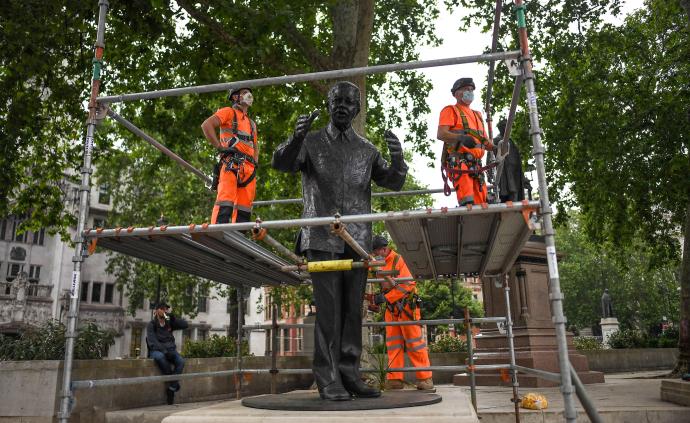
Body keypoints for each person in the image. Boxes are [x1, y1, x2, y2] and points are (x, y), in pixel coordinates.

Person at [272, 81, 408, 401]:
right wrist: (295, 138)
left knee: (352, 313)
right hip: (321, 237)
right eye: (337, 101)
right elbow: (281, 163)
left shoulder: (367, 149)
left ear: (358, 108)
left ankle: (350, 373)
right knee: (329, 311)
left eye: (349, 101)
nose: (343, 106)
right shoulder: (312, 142)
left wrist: (398, 157)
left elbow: (394, 182)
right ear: (329, 104)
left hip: (358, 239)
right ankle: (328, 377)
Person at [366, 235, 434, 391]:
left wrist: (384, 297)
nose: (376, 254)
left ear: (384, 249)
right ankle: (395, 379)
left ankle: (426, 379)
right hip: (392, 309)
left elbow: (407, 285)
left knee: (414, 344)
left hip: (406, 308)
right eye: (374, 252)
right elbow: (371, 274)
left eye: (377, 251)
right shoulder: (377, 263)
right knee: (393, 345)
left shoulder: (399, 260)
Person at [201, 87, 258, 224]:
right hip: (231, 163)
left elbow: (255, 146)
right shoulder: (228, 112)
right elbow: (206, 125)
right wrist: (220, 147)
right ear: (235, 97)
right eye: (244, 93)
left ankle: (238, 238)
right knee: (225, 201)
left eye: (248, 92)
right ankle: (218, 233)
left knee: (244, 207)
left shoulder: (251, 124)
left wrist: (255, 164)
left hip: (249, 168)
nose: (248, 95)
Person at [437, 77, 498, 206]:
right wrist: (460, 138)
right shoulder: (450, 110)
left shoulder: (477, 115)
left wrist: (495, 148)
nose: (469, 92)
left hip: (477, 167)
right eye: (466, 89)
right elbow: (441, 134)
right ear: (456, 93)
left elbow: (484, 141)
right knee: (468, 203)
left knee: (483, 204)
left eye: (471, 90)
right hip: (460, 164)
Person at [147, 302, 189, 405]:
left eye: (166, 309)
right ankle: (173, 382)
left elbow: (185, 325)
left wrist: (174, 319)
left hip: (170, 350)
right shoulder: (151, 324)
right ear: (157, 311)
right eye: (162, 309)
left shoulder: (169, 322)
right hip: (156, 351)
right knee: (161, 357)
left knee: (181, 361)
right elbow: (153, 342)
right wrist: (164, 351)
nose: (165, 311)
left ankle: (171, 388)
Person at [494, 117, 525, 202]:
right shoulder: (496, 140)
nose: (507, 128)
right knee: (508, 196)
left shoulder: (511, 142)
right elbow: (491, 158)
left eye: (507, 126)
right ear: (500, 128)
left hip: (514, 173)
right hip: (504, 173)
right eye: (504, 126)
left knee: (515, 194)